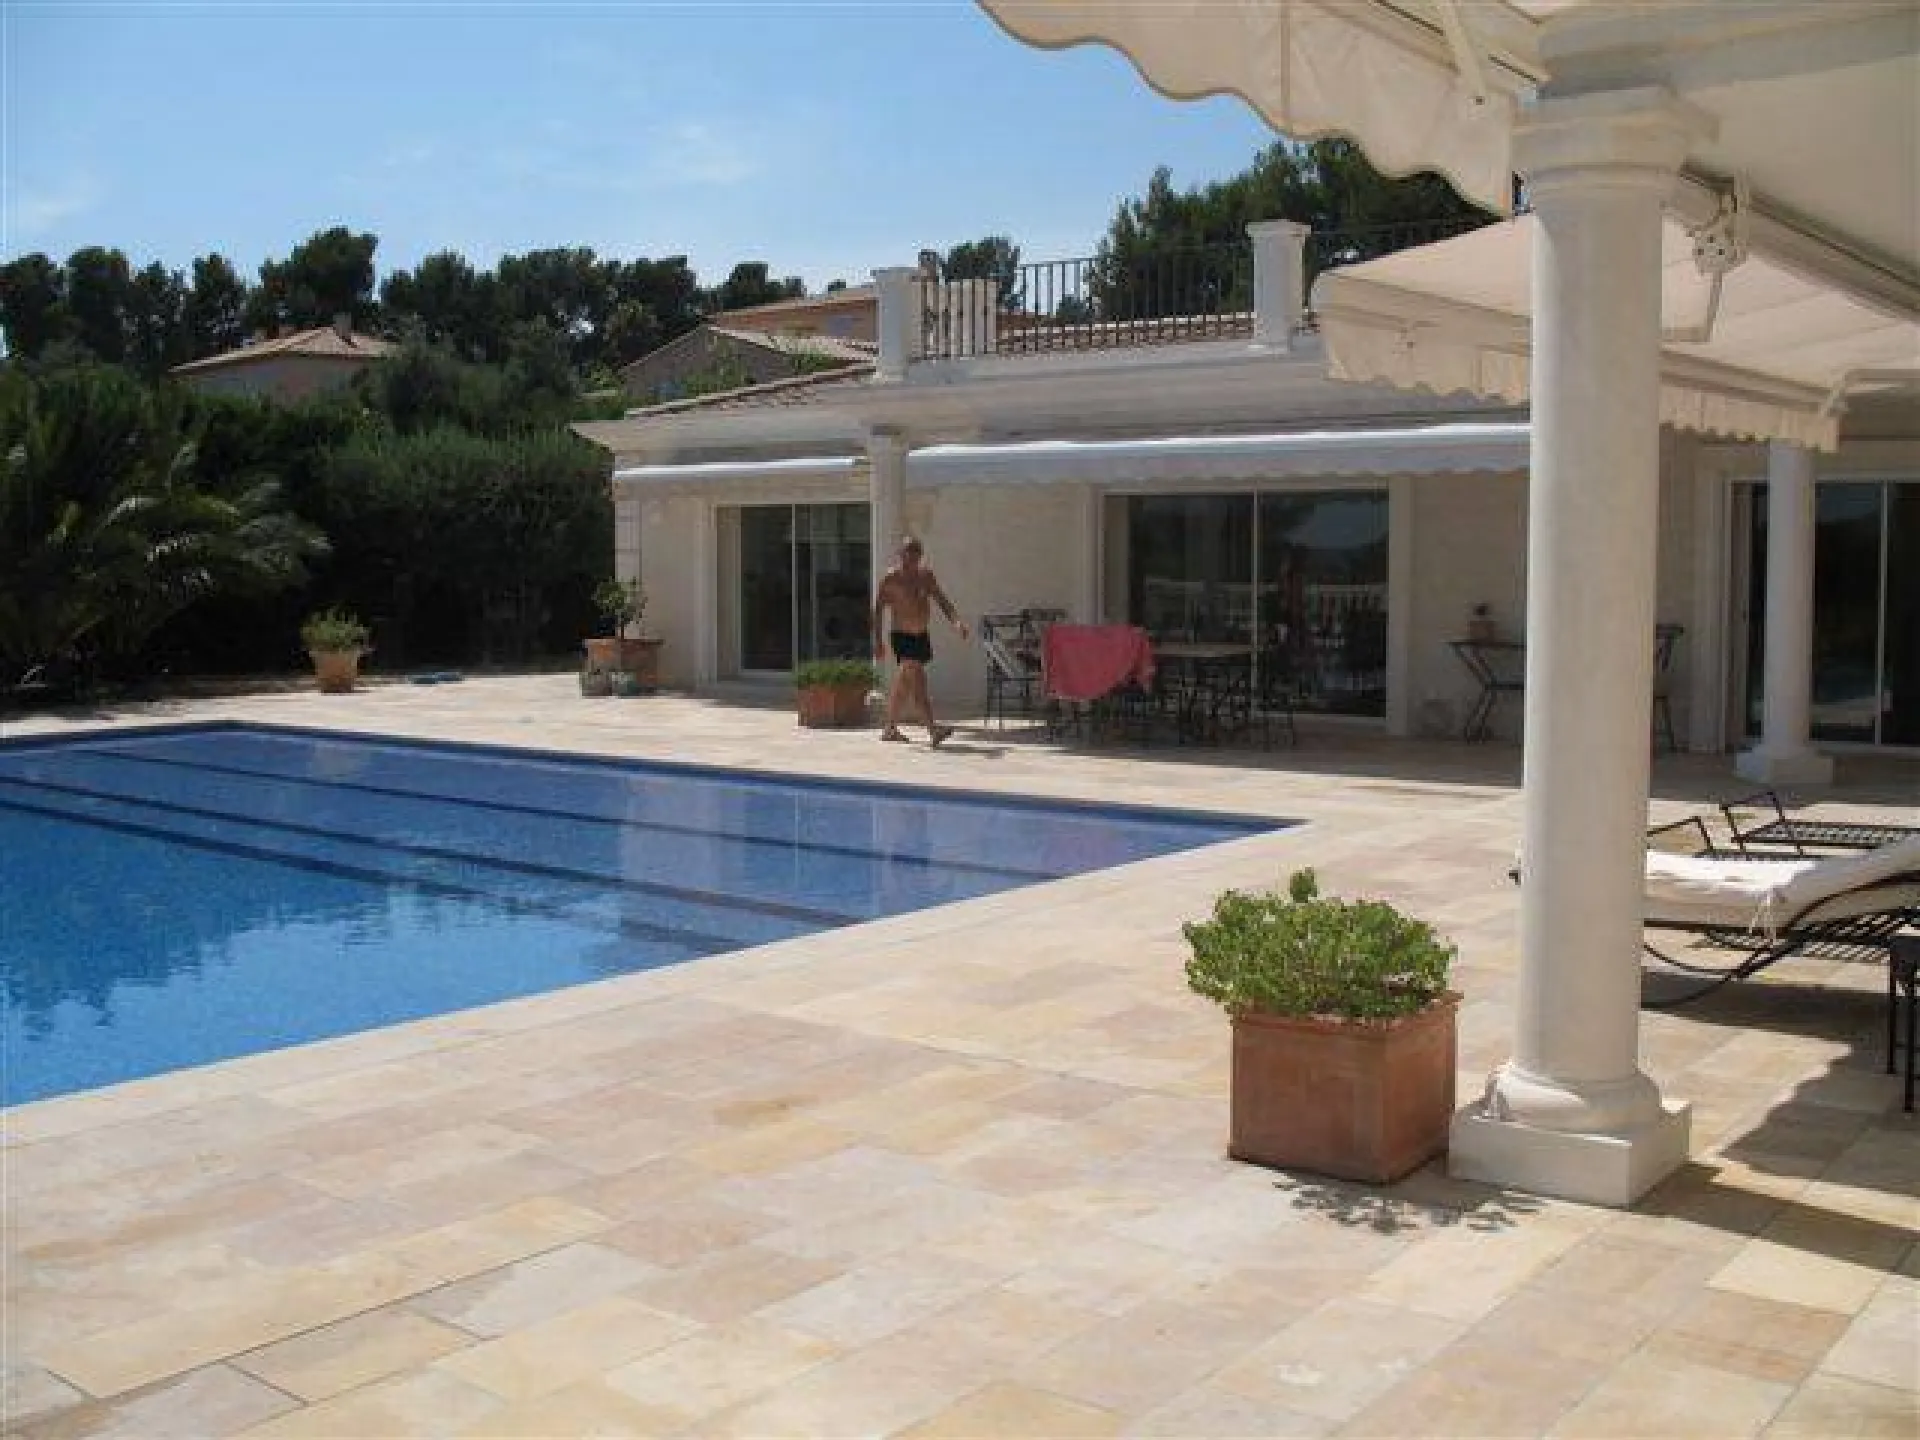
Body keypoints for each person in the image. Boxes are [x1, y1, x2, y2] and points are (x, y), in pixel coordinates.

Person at [872, 536, 970, 746]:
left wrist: (956, 622)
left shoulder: (926, 576)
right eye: (908, 555)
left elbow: (942, 600)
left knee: (904, 683)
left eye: (916, 556)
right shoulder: (890, 579)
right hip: (902, 636)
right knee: (918, 681)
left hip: (920, 636)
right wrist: (878, 641)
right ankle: (933, 729)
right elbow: (878, 611)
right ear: (901, 556)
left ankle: (889, 729)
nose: (912, 561)